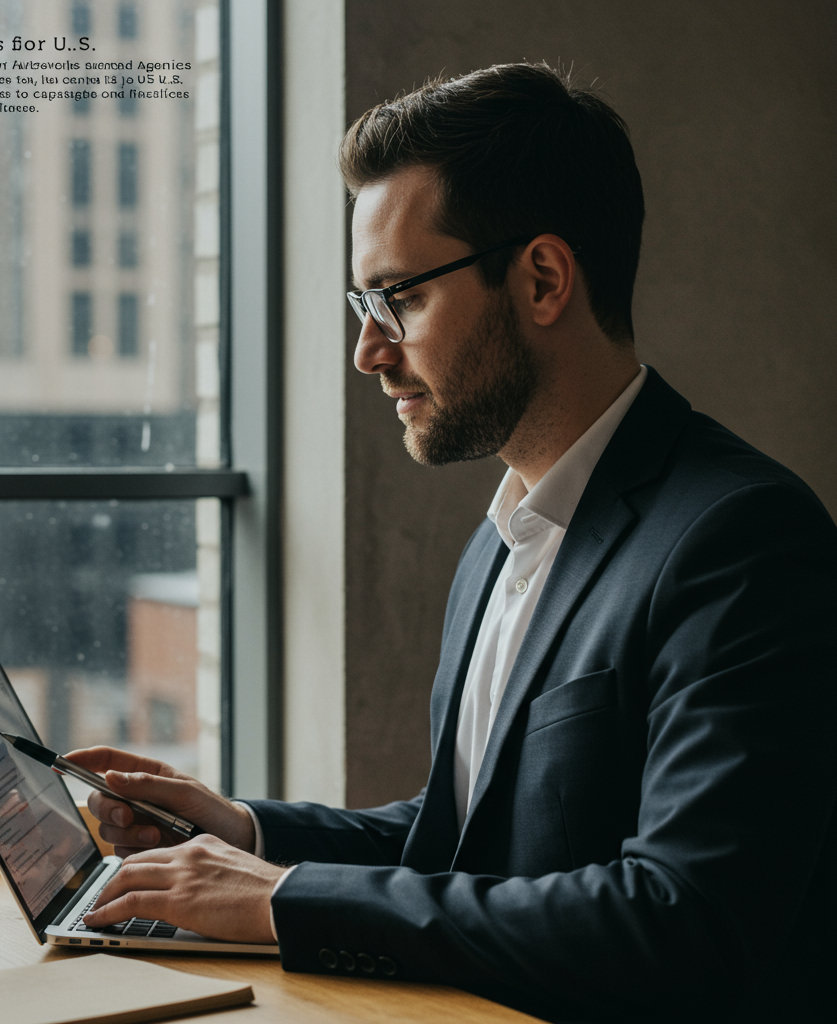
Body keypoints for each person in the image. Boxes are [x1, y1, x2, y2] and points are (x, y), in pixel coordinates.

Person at [68, 63, 836, 1024]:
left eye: (399, 297)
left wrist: (281, 901)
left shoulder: (741, 539)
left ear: (544, 279)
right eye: (363, 304)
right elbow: (473, 842)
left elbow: (684, 919)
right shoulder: (505, 539)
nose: (369, 350)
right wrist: (248, 831)